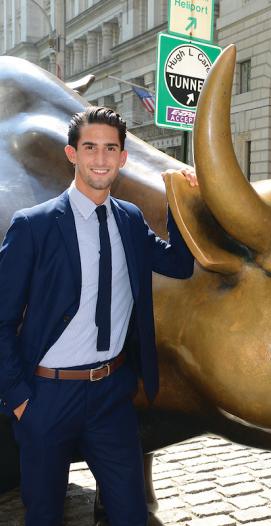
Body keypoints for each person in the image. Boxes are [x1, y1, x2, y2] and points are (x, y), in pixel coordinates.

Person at [0, 107, 196, 526]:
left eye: (111, 148)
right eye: (90, 147)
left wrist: (182, 201)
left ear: (123, 158)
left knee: (130, 515)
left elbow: (179, 265)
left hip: (111, 395)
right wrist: (19, 400)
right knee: (45, 516)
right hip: (48, 396)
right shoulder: (32, 227)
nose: (101, 158)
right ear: (72, 154)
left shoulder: (130, 219)